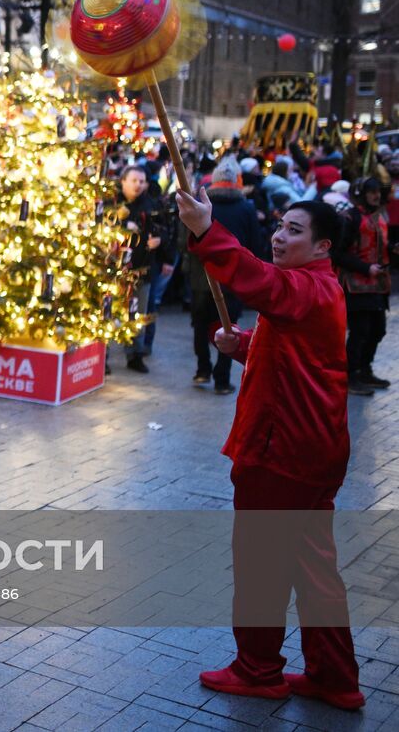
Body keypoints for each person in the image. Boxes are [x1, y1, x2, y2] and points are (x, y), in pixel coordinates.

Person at [176, 190, 363, 712]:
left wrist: (206, 230)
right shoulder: (320, 289)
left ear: (323, 245)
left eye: (295, 230)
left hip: (283, 453)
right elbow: (297, 361)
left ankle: (258, 670)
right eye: (280, 226)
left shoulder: (308, 287)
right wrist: (246, 348)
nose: (280, 236)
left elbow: (258, 280)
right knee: (313, 566)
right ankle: (334, 675)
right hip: (314, 451)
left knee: (261, 564)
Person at [184, 157, 260, 395]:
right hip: (231, 279)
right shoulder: (246, 209)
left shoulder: (198, 207)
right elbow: (255, 245)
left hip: (200, 277)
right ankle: (221, 378)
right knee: (229, 328)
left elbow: (183, 241)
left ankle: (202, 369)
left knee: (200, 325)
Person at [334, 176, 390, 396]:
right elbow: (337, 253)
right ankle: (350, 375)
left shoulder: (380, 215)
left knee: (378, 330)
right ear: (361, 193)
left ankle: (365, 369)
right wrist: (365, 268)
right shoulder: (350, 218)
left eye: (378, 191)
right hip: (356, 285)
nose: (377, 195)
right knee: (360, 331)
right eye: (372, 191)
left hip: (378, 285)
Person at [118, 165, 174, 373]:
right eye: (134, 180)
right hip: (114, 270)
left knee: (138, 313)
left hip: (142, 269)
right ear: (123, 181)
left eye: (141, 181)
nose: (138, 185)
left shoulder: (152, 205)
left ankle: (135, 354)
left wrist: (160, 242)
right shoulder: (114, 204)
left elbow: (166, 231)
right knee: (110, 312)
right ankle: (102, 357)